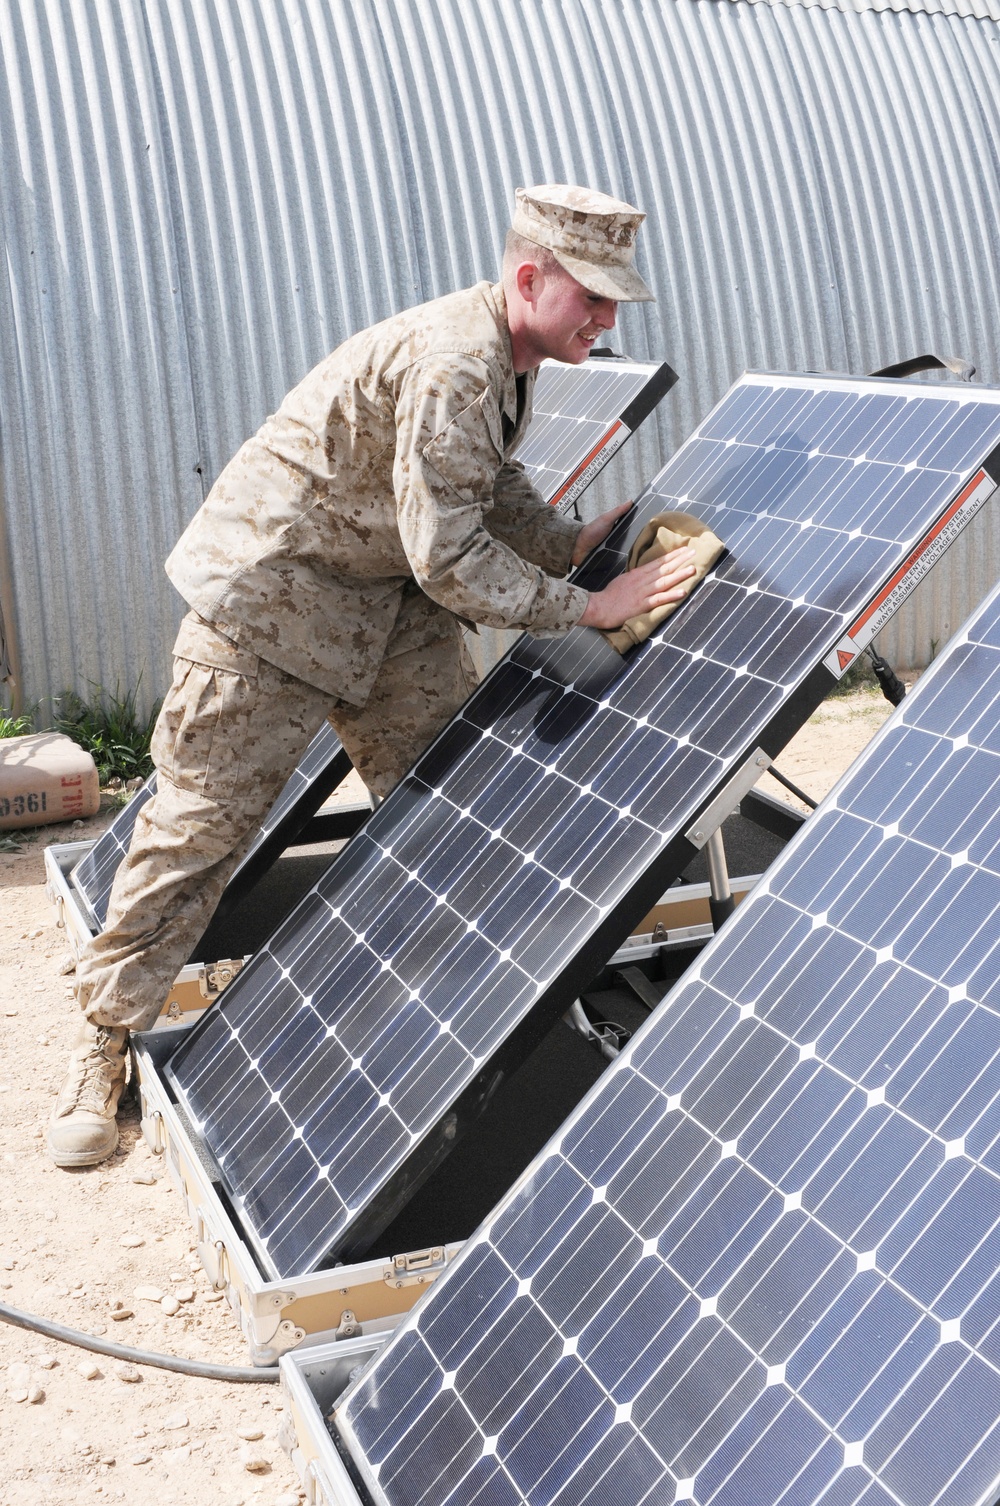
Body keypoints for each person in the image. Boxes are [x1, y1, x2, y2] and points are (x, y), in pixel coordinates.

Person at [47, 183, 698, 1168]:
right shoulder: (454, 361)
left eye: (616, 303)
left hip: (378, 600)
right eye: (592, 299)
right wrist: (591, 605)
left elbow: (487, 488)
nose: (607, 321)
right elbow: (450, 560)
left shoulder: (506, 357)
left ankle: (449, 1015)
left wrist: (568, 545)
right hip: (271, 601)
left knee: (444, 792)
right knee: (199, 829)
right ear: (528, 279)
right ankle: (103, 1043)